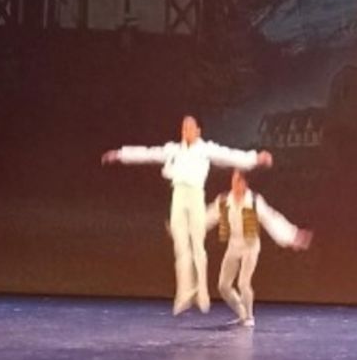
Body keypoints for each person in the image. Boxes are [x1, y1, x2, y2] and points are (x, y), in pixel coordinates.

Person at [102, 116, 272, 314]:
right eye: (184, 128)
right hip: (179, 196)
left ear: (198, 131)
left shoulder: (206, 149)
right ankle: (184, 292)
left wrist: (255, 158)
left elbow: (229, 155)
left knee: (197, 244)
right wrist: (120, 154)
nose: (186, 131)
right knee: (181, 245)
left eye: (190, 128)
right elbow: (149, 153)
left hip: (195, 195)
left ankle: (202, 293)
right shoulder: (174, 150)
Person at [206, 169, 313, 327]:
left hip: (250, 246)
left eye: (238, 181)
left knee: (243, 283)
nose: (235, 184)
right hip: (234, 245)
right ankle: (242, 314)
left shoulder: (254, 201)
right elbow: (207, 218)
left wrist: (292, 236)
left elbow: (271, 219)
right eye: (233, 180)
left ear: (244, 183)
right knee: (223, 286)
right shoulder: (224, 200)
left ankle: (249, 317)